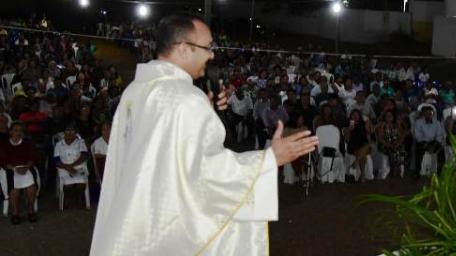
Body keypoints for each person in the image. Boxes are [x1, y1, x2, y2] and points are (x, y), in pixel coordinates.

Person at [91, 14, 318, 256]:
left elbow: (163, 158)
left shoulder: (136, 91)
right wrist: (270, 159)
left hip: (132, 218)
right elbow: (206, 174)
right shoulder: (186, 98)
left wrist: (206, 113)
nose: (212, 55)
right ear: (184, 48)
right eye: (208, 47)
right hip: (165, 229)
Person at [0, 122, 38, 224]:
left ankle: (30, 210)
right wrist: (14, 168)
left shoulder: (27, 143)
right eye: (16, 130)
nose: (18, 133)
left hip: (25, 168)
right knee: (14, 189)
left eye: (20, 130)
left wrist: (27, 166)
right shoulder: (5, 144)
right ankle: (15, 213)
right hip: (11, 169)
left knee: (31, 187)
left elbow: (32, 157)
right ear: (11, 131)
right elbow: (2, 160)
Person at [413, 107, 445, 177]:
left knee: (441, 151)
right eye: (426, 113)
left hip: (434, 142)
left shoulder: (437, 122)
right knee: (418, 152)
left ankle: (439, 171)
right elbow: (417, 135)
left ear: (432, 114)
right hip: (423, 142)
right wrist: (426, 145)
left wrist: (434, 146)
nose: (428, 115)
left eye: (430, 113)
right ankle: (417, 172)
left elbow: (439, 135)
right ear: (423, 114)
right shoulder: (418, 122)